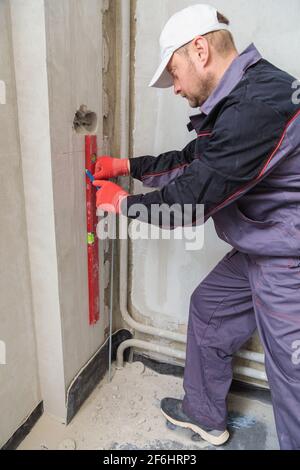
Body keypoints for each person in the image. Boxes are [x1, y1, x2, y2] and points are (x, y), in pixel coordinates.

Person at [93, 4, 300, 450]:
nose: (175, 88)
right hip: (264, 242)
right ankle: (204, 414)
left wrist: (123, 203)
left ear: (200, 50)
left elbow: (190, 199)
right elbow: (196, 161)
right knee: (210, 308)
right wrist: (128, 166)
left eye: (174, 72)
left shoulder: (256, 107)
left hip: (290, 259)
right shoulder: (245, 95)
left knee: (293, 376)